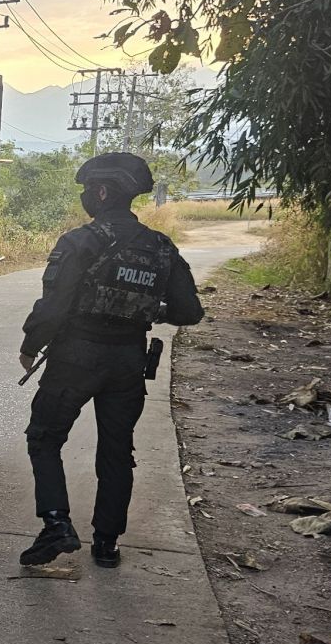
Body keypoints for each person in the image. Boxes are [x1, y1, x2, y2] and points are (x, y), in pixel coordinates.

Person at [17, 152, 204, 568]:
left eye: (88, 190)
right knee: (117, 452)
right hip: (127, 362)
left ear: (101, 193)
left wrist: (30, 346)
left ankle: (56, 524)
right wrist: (146, 308)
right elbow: (189, 311)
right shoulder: (161, 247)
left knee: (44, 439)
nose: (86, 197)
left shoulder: (79, 241)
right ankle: (106, 544)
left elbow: (54, 305)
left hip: (75, 358)